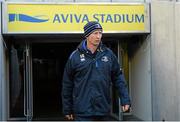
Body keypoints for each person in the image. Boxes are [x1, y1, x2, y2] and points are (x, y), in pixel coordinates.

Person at [62, 21, 131, 121]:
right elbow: (67, 84)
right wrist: (67, 109)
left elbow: (118, 77)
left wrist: (125, 100)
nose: (98, 36)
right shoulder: (75, 57)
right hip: (82, 112)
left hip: (103, 110)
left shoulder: (108, 54)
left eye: (100, 33)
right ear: (87, 35)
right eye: (95, 33)